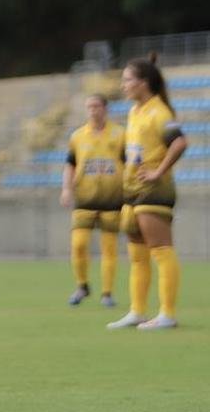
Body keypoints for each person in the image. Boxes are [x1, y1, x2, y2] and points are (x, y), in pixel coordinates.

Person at [107, 55, 186, 331]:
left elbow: (179, 143)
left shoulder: (159, 112)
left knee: (161, 251)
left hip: (153, 191)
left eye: (127, 79)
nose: (123, 84)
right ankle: (137, 311)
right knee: (137, 255)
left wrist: (158, 171)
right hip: (132, 192)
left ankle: (168, 313)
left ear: (144, 83)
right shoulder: (134, 112)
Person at [60, 94, 124, 307]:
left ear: (105, 108)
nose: (92, 110)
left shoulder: (120, 134)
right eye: (89, 107)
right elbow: (70, 164)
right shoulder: (78, 136)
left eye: (96, 106)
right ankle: (82, 286)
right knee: (78, 245)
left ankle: (107, 293)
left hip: (112, 199)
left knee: (109, 247)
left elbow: (129, 163)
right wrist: (66, 189)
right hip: (85, 198)